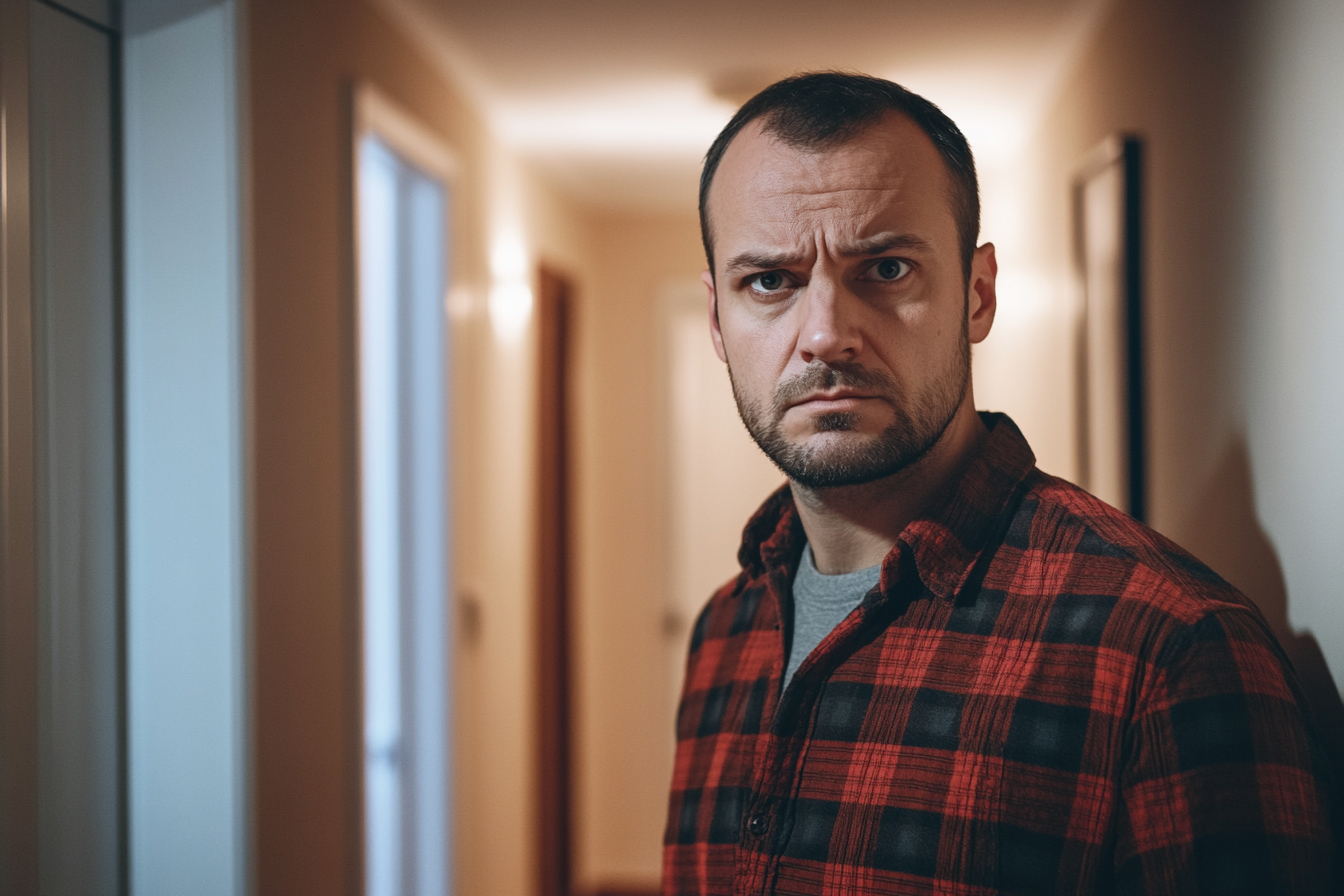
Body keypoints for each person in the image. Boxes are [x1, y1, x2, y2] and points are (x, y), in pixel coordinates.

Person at [663, 71, 1336, 895]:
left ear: (977, 295)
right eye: (769, 281)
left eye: (886, 270)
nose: (826, 335)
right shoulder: (724, 634)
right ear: (717, 323)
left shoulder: (1167, 650)